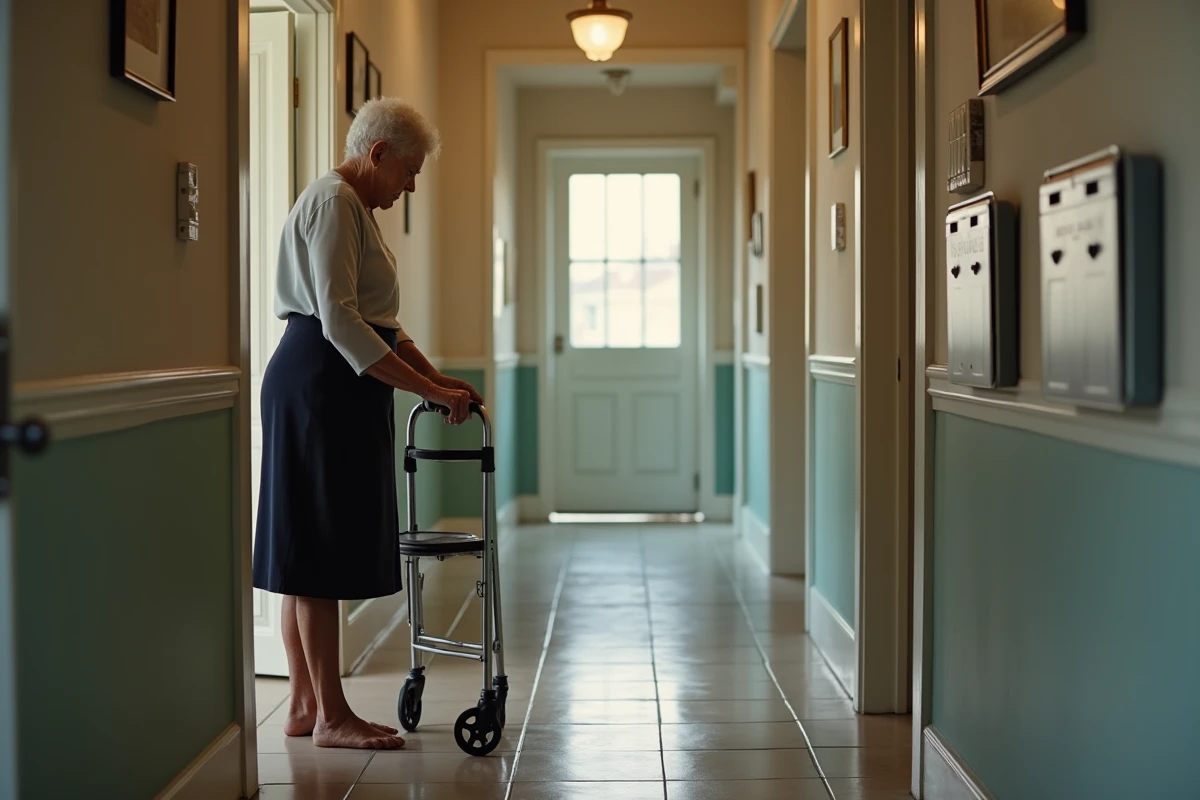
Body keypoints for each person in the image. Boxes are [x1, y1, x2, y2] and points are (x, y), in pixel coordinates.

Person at [252, 97, 481, 750]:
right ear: (377, 154)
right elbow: (341, 319)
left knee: (306, 549)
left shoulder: (353, 209)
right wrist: (428, 390)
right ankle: (331, 716)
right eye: (408, 172)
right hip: (319, 381)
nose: (410, 186)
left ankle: (305, 705)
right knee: (313, 552)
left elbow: (385, 326)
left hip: (332, 381)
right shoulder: (334, 202)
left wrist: (440, 381)